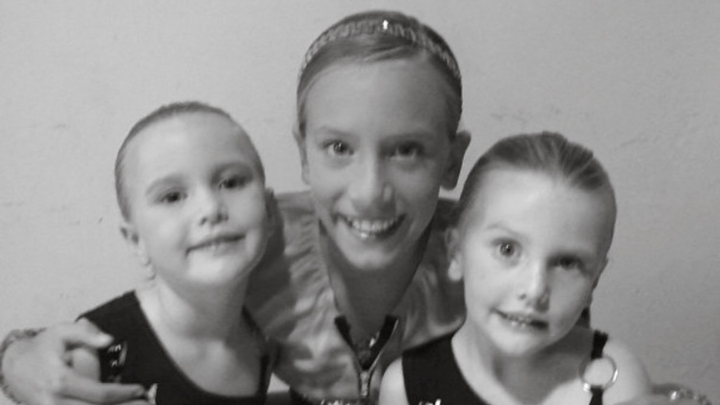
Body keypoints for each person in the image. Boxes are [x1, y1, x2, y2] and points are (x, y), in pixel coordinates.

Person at [0, 10, 710, 405]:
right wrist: (16, 354)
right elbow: (147, 320)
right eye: (339, 148)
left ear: (452, 161)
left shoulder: (496, 258)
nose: (370, 191)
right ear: (303, 152)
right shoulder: (253, 242)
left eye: (408, 151)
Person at [379, 132, 652, 405]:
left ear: (594, 281)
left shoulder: (615, 381)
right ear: (456, 252)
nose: (534, 290)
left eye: (567, 263)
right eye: (507, 249)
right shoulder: (406, 387)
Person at [36, 101, 275, 404]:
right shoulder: (97, 352)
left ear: (270, 210)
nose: (211, 208)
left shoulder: (274, 329)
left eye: (231, 182)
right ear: (135, 240)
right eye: (172, 196)